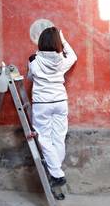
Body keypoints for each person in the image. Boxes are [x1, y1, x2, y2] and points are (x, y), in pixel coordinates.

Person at [27, 27, 77, 196]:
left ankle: (56, 173)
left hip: (42, 103)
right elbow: (74, 56)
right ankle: (56, 172)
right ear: (57, 42)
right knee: (59, 138)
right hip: (60, 102)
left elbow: (30, 77)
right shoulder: (62, 60)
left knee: (44, 138)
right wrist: (63, 41)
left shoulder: (34, 61)